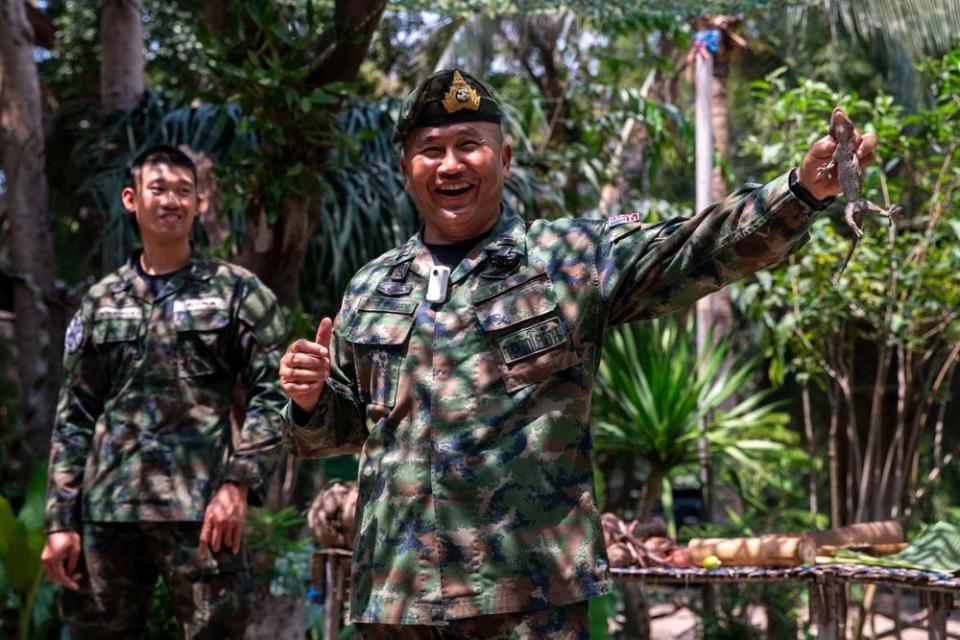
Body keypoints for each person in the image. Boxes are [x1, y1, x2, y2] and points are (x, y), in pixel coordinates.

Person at [279, 69, 877, 639]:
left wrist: (798, 193)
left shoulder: (569, 256)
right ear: (407, 168)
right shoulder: (372, 285)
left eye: (469, 144)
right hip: (396, 596)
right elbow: (346, 431)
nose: (450, 163)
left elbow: (692, 248)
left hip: (525, 593)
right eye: (430, 149)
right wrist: (310, 401)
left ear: (505, 159)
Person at [41, 145, 288, 638]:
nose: (171, 201)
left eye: (183, 191)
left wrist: (238, 484)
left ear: (200, 203)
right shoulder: (100, 301)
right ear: (132, 199)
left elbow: (275, 390)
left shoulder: (236, 291)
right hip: (108, 513)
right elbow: (75, 415)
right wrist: (59, 520)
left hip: (201, 514)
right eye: (159, 189)